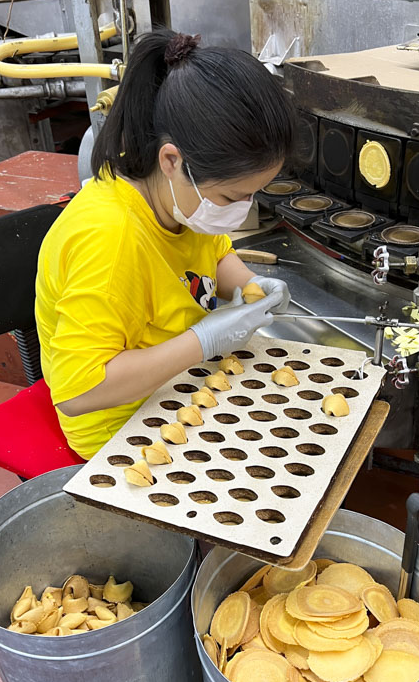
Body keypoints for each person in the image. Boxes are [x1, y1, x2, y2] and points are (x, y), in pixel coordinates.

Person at [35, 29, 295, 460]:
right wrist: (204, 341)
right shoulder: (110, 240)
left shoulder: (179, 201)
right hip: (121, 424)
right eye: (232, 198)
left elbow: (213, 253)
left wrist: (248, 287)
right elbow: (77, 390)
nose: (240, 210)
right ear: (172, 160)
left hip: (184, 380)